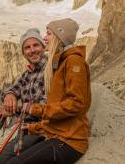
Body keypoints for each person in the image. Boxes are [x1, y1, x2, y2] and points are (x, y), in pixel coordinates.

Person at [6, 18, 91, 164]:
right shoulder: (61, 63)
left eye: (49, 34)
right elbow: (57, 115)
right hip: (57, 136)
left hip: (69, 141)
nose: (45, 38)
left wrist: (34, 109)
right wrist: (32, 127)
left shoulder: (73, 62)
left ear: (60, 36)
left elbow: (76, 104)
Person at [0, 28, 47, 164]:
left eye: (36, 45)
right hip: (25, 133)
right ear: (24, 53)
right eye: (27, 48)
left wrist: (13, 110)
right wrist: (9, 96)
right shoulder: (27, 74)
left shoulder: (50, 70)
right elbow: (12, 89)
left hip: (41, 131)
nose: (32, 50)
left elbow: (45, 106)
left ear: (43, 46)